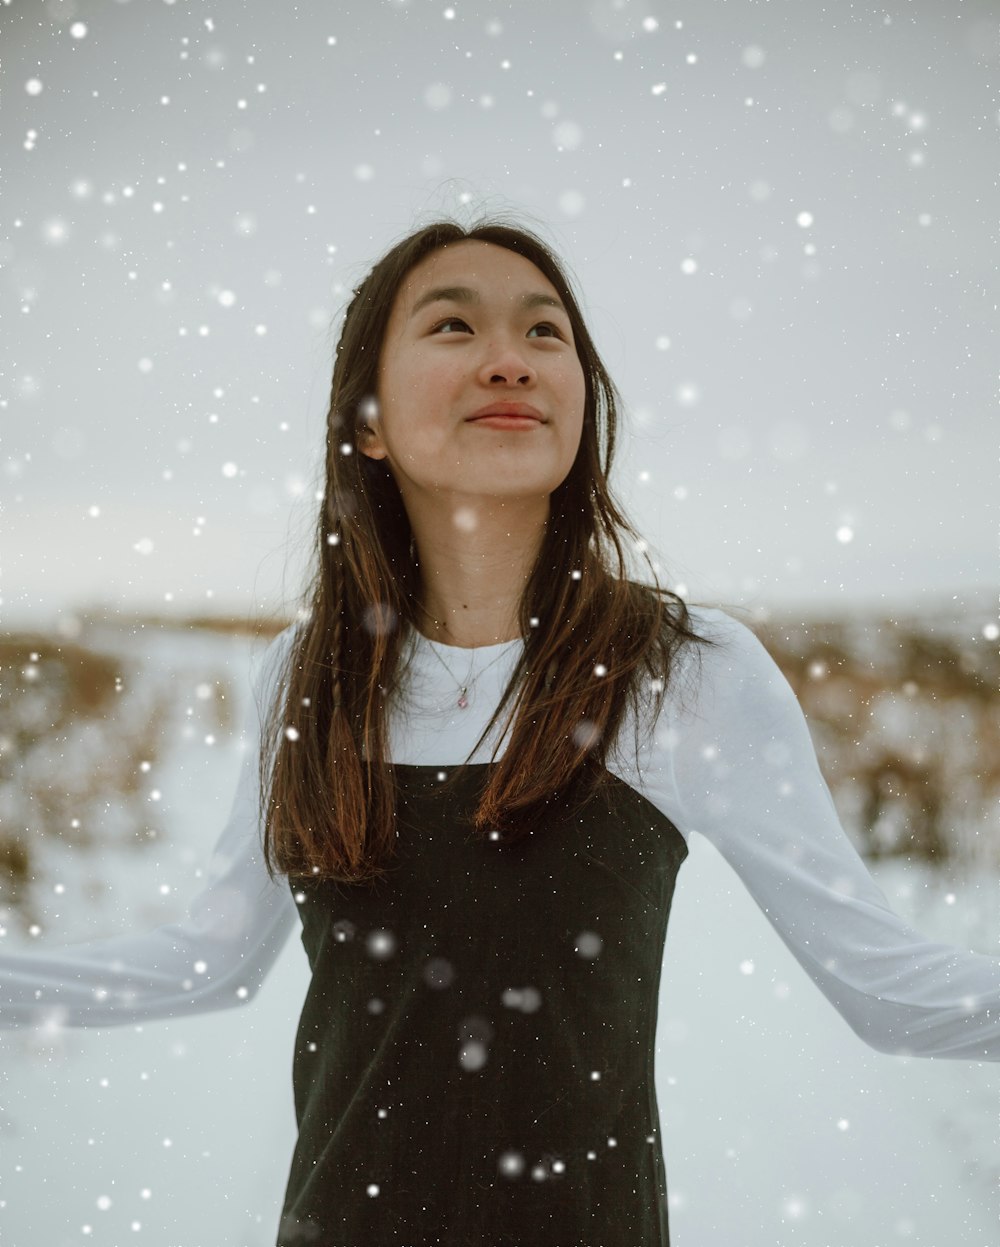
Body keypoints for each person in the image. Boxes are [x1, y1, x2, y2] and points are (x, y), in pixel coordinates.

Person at [1, 216, 998, 1247]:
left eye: (544, 333)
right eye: (452, 325)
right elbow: (206, 962)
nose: (509, 361)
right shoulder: (309, 676)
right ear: (369, 421)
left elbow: (888, 990)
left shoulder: (681, 669)